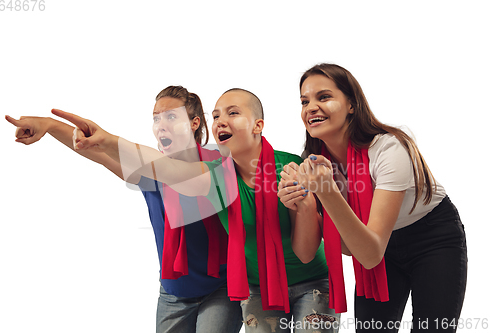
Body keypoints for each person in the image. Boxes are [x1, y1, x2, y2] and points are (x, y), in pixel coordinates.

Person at [49, 88, 340, 332]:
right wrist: (92, 136)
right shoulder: (215, 174)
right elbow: (158, 166)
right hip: (239, 288)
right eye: (216, 116)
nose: (221, 121)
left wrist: (303, 204)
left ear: (258, 125)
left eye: (232, 113)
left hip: (295, 283)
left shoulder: (288, 166)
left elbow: (305, 252)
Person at [6, 86, 243, 333]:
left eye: (171, 116)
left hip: (221, 288)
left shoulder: (219, 161)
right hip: (174, 291)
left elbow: (169, 170)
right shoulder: (149, 168)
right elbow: (96, 152)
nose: (161, 124)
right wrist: (50, 125)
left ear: (194, 123)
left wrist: (106, 140)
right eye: (156, 118)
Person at [279, 63, 467, 332]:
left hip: (431, 236)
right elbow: (333, 249)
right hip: (377, 245)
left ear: (352, 104)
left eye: (324, 97)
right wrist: (305, 206)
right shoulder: (315, 166)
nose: (310, 107)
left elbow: (368, 255)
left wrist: (327, 191)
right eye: (304, 101)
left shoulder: (390, 148)